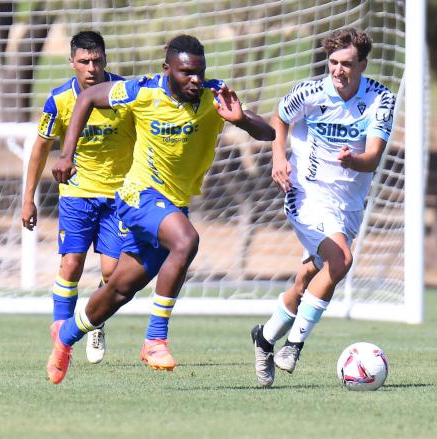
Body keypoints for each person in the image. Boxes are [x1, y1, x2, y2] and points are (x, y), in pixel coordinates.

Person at [46, 34, 275, 384]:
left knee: (119, 291)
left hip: (172, 205)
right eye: (186, 72)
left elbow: (269, 133)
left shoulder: (214, 95)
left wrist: (240, 119)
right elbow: (89, 97)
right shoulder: (143, 91)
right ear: (167, 69)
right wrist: (66, 154)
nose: (195, 80)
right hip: (139, 195)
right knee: (186, 241)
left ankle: (64, 340)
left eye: (199, 71)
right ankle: (155, 339)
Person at [250, 28, 395, 387]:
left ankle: (265, 337)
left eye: (346, 64)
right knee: (341, 260)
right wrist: (279, 158)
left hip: (348, 203)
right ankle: (293, 346)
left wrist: (354, 160)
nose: (338, 70)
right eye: (333, 62)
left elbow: (373, 158)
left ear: (362, 64)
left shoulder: (380, 100)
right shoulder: (312, 92)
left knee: (307, 279)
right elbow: (279, 118)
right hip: (306, 191)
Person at [21, 31, 135, 365]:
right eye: (84, 61)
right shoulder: (58, 100)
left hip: (120, 194)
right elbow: (40, 148)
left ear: (105, 60)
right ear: (72, 63)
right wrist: (28, 198)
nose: (91, 68)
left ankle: (95, 320)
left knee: (114, 274)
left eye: (97, 60)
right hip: (77, 193)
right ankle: (61, 332)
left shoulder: (125, 95)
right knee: (71, 263)